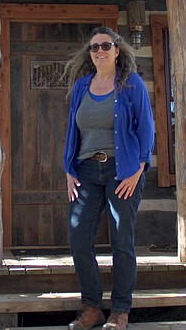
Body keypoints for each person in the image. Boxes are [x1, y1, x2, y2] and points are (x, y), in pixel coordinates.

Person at [63, 26, 155, 330]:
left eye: (106, 46)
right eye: (94, 48)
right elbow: (72, 131)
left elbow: (146, 130)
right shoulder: (81, 87)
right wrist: (68, 170)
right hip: (86, 171)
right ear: (89, 54)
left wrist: (138, 169)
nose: (100, 51)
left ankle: (120, 310)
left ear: (117, 50)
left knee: (121, 240)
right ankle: (91, 307)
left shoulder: (131, 84)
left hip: (123, 171)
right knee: (78, 238)